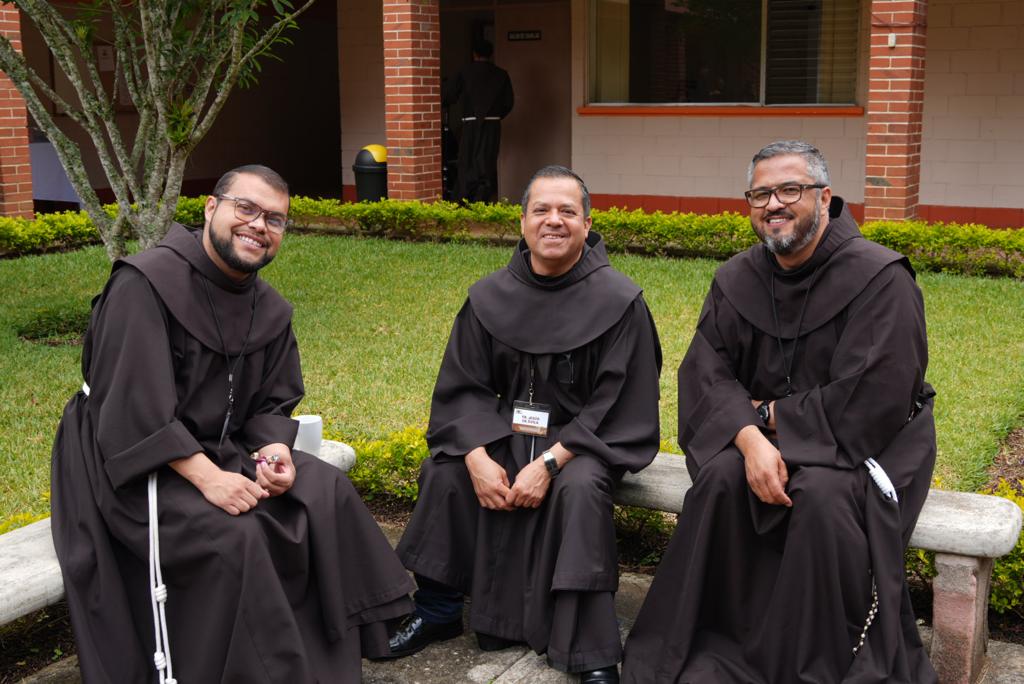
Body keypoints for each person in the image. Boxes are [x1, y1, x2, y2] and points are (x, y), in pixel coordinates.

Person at [50, 165, 414, 683]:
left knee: (323, 487)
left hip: (219, 443)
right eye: (247, 208)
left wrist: (274, 452)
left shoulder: (267, 307)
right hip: (126, 459)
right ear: (211, 208)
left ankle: (348, 637)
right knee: (235, 535)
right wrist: (210, 478)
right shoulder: (144, 284)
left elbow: (271, 401)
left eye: (275, 219)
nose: (259, 225)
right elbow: (132, 413)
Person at [621, 141, 938, 683]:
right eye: (760, 194)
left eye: (789, 190)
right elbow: (705, 374)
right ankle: (711, 650)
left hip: (868, 446)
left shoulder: (881, 278)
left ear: (825, 196)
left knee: (819, 499)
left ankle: (808, 666)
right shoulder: (736, 279)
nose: (773, 205)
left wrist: (765, 417)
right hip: (767, 439)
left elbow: (873, 396)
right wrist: (748, 440)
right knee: (721, 478)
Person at [386, 166, 663, 683]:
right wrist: (475, 455)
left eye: (567, 211)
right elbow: (462, 386)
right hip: (504, 433)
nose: (553, 221)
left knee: (579, 490)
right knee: (445, 471)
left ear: (587, 223)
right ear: (522, 221)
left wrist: (552, 463)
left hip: (584, 445)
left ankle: (589, 648)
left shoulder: (620, 302)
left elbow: (619, 404)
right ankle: (438, 610)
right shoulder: (488, 296)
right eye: (541, 210)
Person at [444, 38, 514, 202]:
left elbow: (449, 96)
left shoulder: (464, 72)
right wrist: (496, 116)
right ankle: (482, 200)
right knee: (486, 162)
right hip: (492, 124)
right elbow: (509, 102)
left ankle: (464, 200)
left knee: (467, 161)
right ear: (491, 54)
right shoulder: (501, 74)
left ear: (474, 54)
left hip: (470, 122)